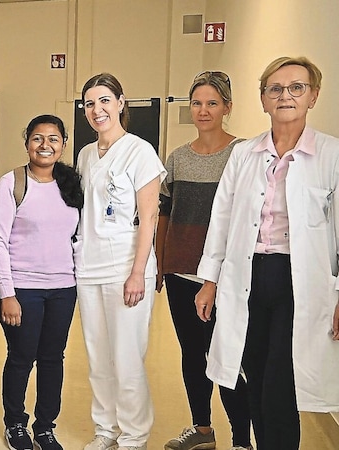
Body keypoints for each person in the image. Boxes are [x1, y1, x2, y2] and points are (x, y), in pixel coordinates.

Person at [195, 56, 339, 450]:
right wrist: (210, 281)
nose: (285, 96)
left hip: (298, 282)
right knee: (254, 373)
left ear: (313, 96)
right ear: (262, 99)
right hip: (248, 276)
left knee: (280, 381)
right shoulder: (245, 155)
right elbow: (220, 218)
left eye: (297, 87)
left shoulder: (331, 155)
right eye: (275, 89)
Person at [156, 72, 252, 450]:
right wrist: (161, 264)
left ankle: (242, 442)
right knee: (192, 355)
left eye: (212, 103)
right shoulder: (178, 158)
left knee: (226, 358)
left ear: (227, 107)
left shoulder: (243, 154)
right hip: (182, 272)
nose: (203, 110)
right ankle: (202, 431)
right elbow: (164, 213)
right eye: (197, 103)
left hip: (227, 275)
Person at [76, 73, 166, 450]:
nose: (98, 110)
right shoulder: (84, 154)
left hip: (127, 265)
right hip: (89, 265)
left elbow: (150, 217)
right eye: (90, 103)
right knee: (98, 358)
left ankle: (133, 435)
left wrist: (137, 273)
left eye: (104, 101)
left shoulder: (139, 151)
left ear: (121, 102)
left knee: (127, 357)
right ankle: (105, 430)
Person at [0, 114, 83, 450]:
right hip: (22, 289)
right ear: (27, 142)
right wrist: (6, 294)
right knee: (21, 356)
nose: (45, 145)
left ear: (63, 144)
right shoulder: (11, 184)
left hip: (63, 289)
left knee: (53, 358)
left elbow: (78, 237)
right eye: (38, 138)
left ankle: (45, 427)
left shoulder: (72, 185)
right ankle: (15, 424)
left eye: (53, 139)